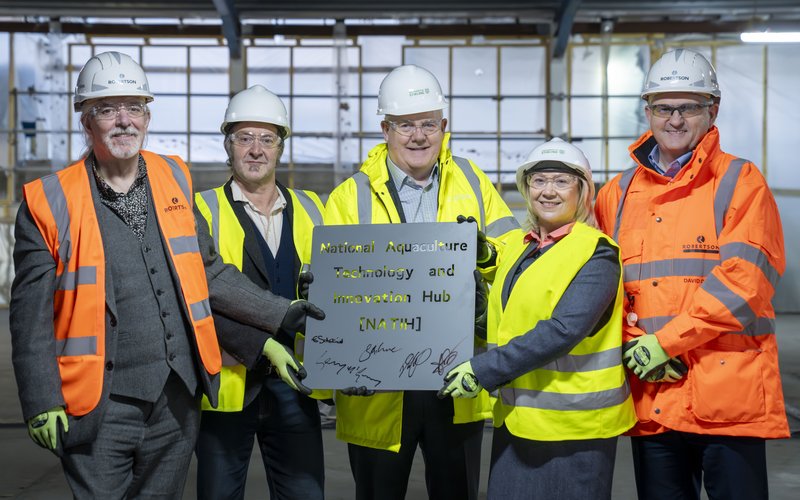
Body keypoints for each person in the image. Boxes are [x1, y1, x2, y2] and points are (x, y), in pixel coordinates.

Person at [9, 51, 324, 498]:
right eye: (107, 109)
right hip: (98, 403)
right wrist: (41, 401)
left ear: (147, 116)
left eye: (133, 107)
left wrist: (280, 312)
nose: (123, 121)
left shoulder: (172, 177)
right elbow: (29, 318)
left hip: (176, 400)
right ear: (85, 119)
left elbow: (208, 271)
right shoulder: (49, 201)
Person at [595, 48, 789, 500]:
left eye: (689, 107)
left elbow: (745, 283)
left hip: (728, 395)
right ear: (648, 112)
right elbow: (603, 286)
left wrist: (664, 342)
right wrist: (629, 340)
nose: (675, 119)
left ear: (712, 110)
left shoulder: (741, 181)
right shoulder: (617, 193)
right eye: (664, 107)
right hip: (655, 396)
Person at [325, 64, 519, 500]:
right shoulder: (349, 196)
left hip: (456, 380)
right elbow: (332, 292)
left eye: (428, 123)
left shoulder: (472, 182)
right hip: (377, 386)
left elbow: (512, 259)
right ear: (385, 129)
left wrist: (488, 255)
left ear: (444, 126)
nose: (418, 136)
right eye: (405, 125)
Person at [439, 137, 636, 499]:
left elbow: (563, 330)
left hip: (576, 429)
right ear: (526, 188)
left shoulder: (597, 252)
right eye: (539, 180)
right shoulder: (517, 246)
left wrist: (482, 369)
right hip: (518, 420)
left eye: (562, 182)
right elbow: (505, 311)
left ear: (582, 191)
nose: (548, 191)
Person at [194, 84, 327, 500]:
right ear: (228, 145)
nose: (256, 149)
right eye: (245, 138)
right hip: (226, 387)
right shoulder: (201, 209)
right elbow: (196, 297)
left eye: (267, 139)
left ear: (280, 147)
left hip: (296, 386)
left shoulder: (312, 208)